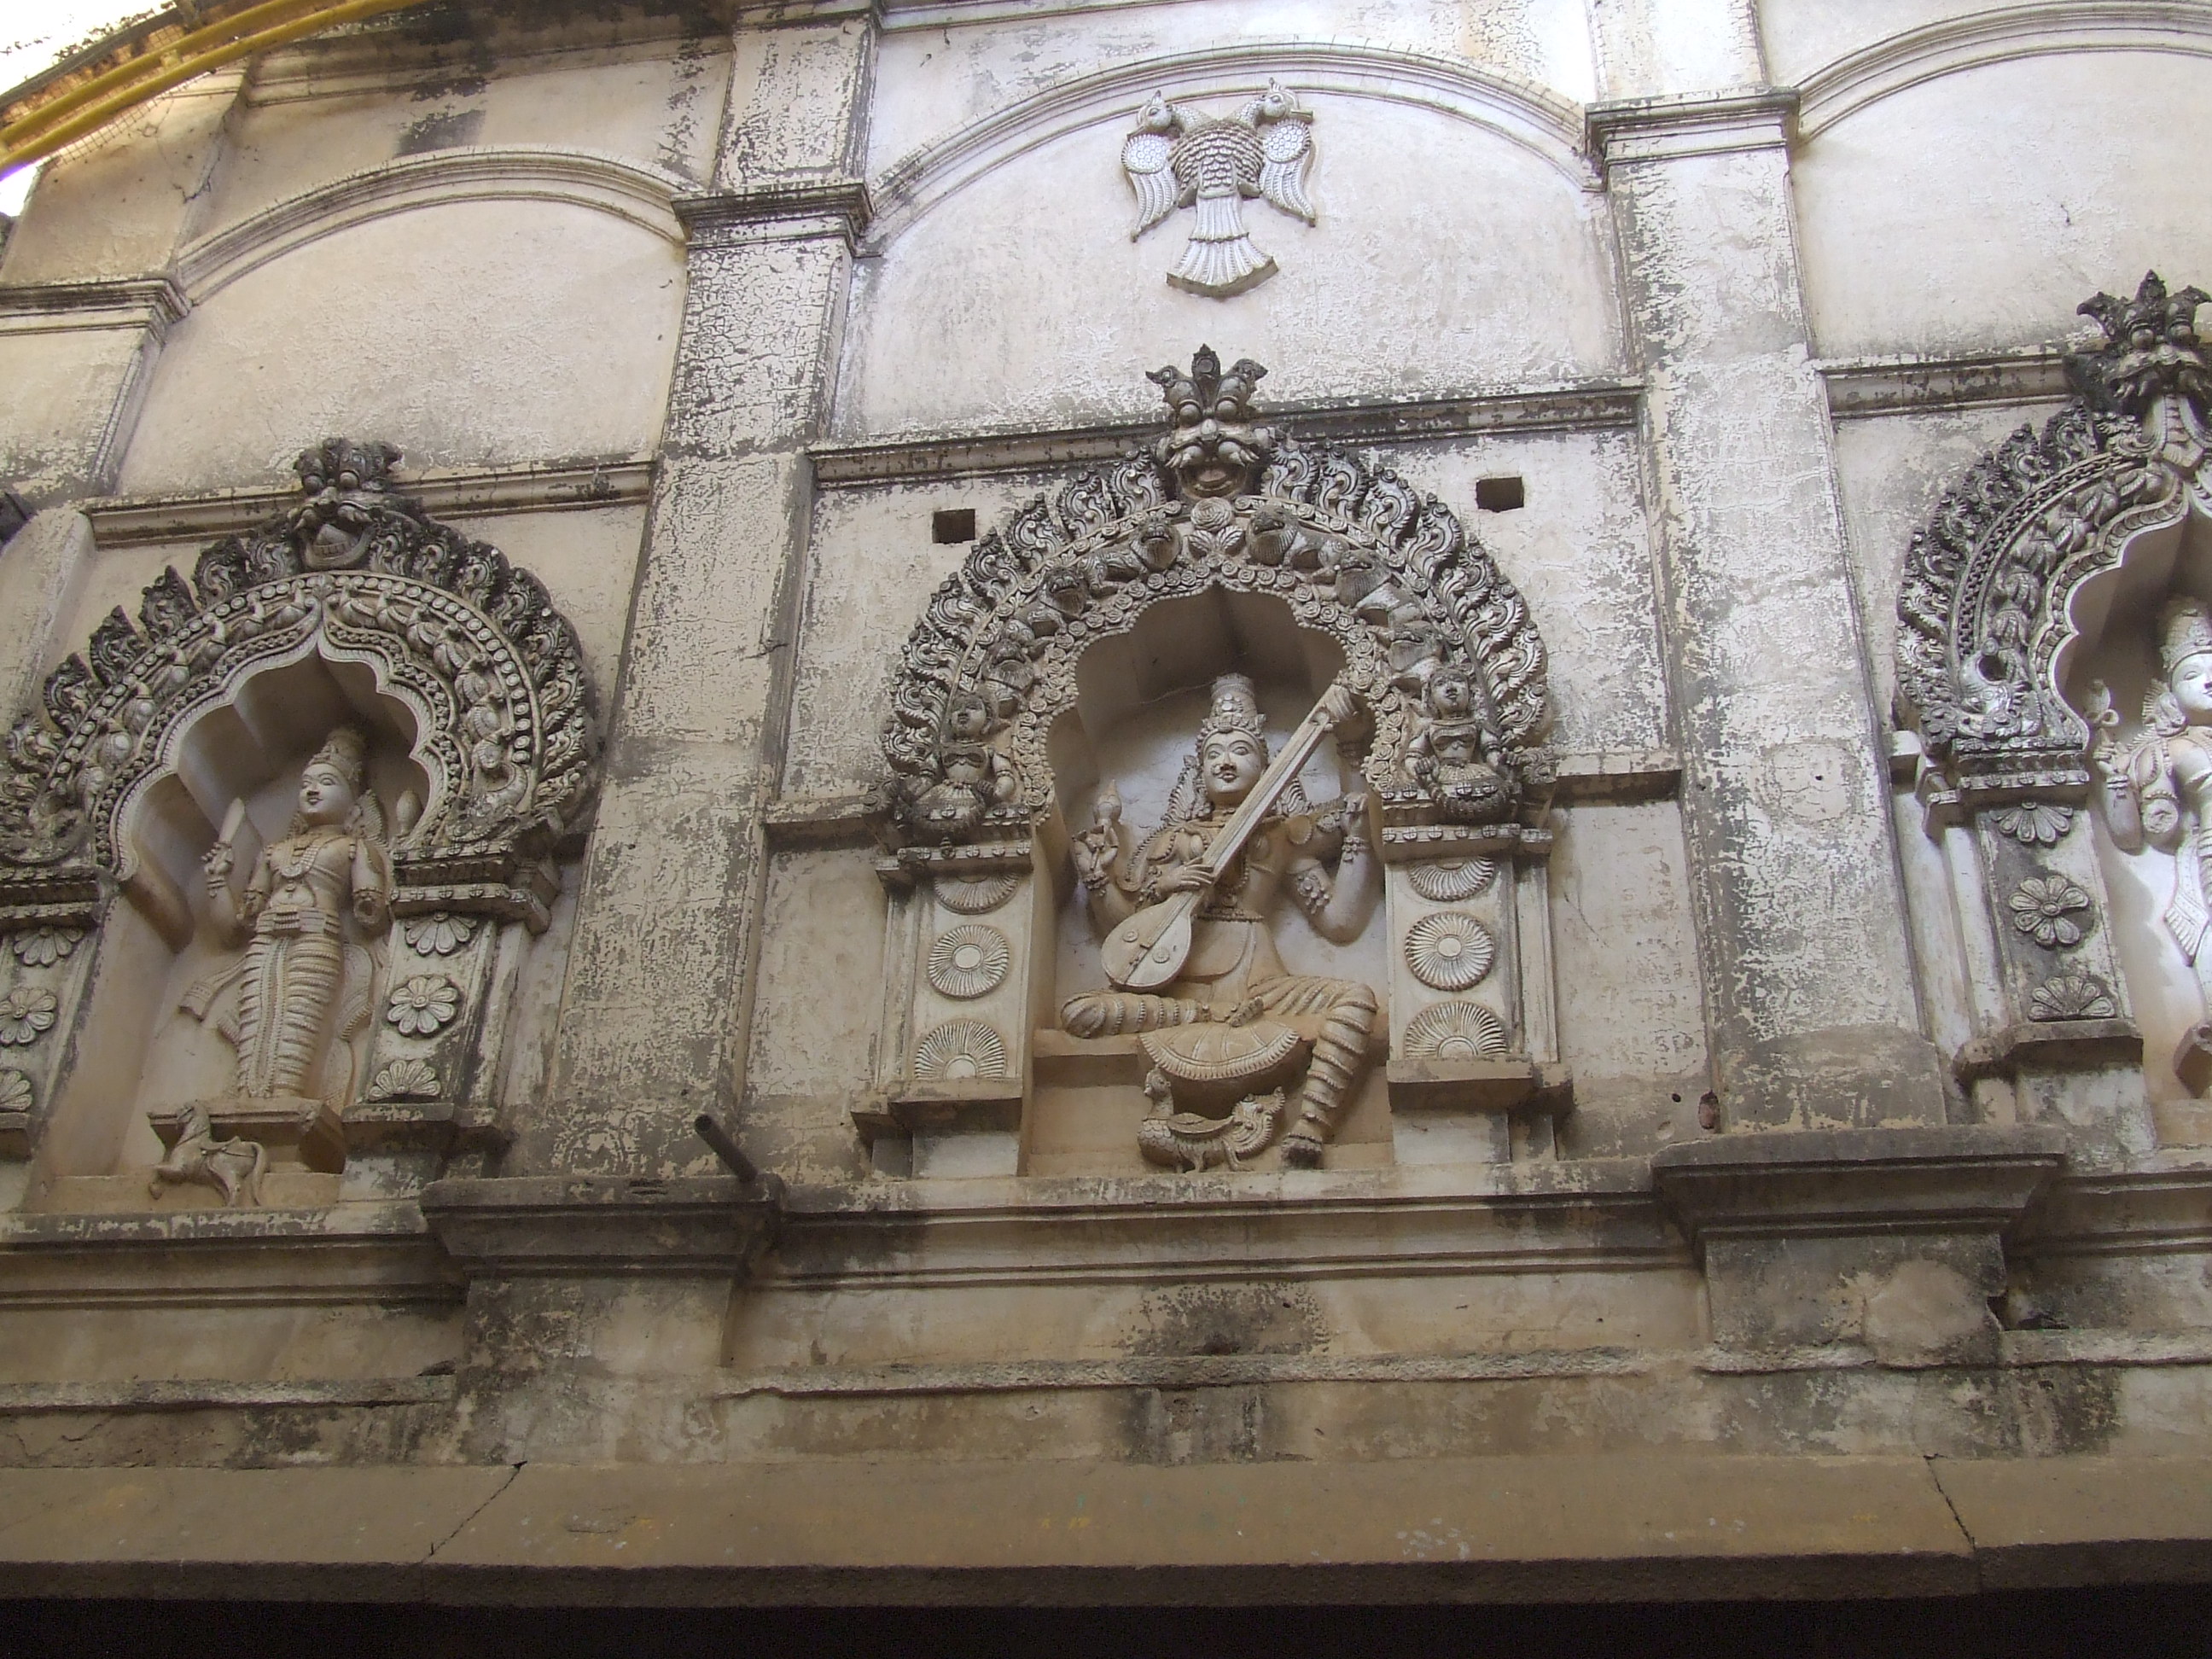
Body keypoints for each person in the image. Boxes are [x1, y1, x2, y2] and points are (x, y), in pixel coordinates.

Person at [1062, 673, 1380, 1165]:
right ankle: (1201, 1016)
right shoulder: (1170, 843)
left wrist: (1353, 762)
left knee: (1356, 1000)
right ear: (1199, 770)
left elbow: (1341, 921)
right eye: (1214, 754)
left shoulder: (1280, 835)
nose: (1225, 762)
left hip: (1263, 989)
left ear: (1267, 766)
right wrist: (1104, 881)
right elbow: (1126, 937)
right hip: (1178, 994)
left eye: (1241, 751)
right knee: (1081, 1012)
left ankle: (1311, 1125)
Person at [186, 725, 392, 1104]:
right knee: (258, 1014)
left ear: (353, 804)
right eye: (306, 784)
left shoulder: (351, 847)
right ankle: (247, 1095)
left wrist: (370, 892)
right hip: (266, 940)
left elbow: (372, 915)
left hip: (316, 938)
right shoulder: (274, 852)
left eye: (326, 783)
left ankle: (284, 1094)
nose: (312, 791)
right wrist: (218, 879)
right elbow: (240, 923)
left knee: (299, 1018)